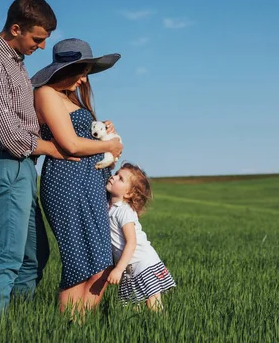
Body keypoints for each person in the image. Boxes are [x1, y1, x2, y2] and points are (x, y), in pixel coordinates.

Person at [0, 0, 73, 321]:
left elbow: (25, 122)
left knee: (34, 256)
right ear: (16, 28)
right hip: (4, 163)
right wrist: (57, 149)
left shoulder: (14, 61)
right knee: (6, 258)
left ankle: (19, 321)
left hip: (23, 166)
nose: (41, 47)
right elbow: (11, 136)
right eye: (38, 39)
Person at [31, 38, 124, 319]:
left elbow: (82, 136)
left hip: (90, 182)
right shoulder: (46, 93)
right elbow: (71, 144)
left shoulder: (69, 97)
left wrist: (104, 129)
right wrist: (109, 146)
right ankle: (66, 326)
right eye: (81, 71)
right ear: (63, 69)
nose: (84, 79)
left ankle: (77, 326)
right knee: (79, 261)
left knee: (101, 262)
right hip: (67, 182)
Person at [106, 163, 176, 311]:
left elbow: (131, 242)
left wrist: (118, 269)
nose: (113, 177)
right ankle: (142, 328)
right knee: (134, 305)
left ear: (128, 194)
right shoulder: (109, 207)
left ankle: (161, 326)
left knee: (153, 302)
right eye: (116, 173)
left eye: (120, 178)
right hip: (130, 266)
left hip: (142, 262)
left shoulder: (124, 211)